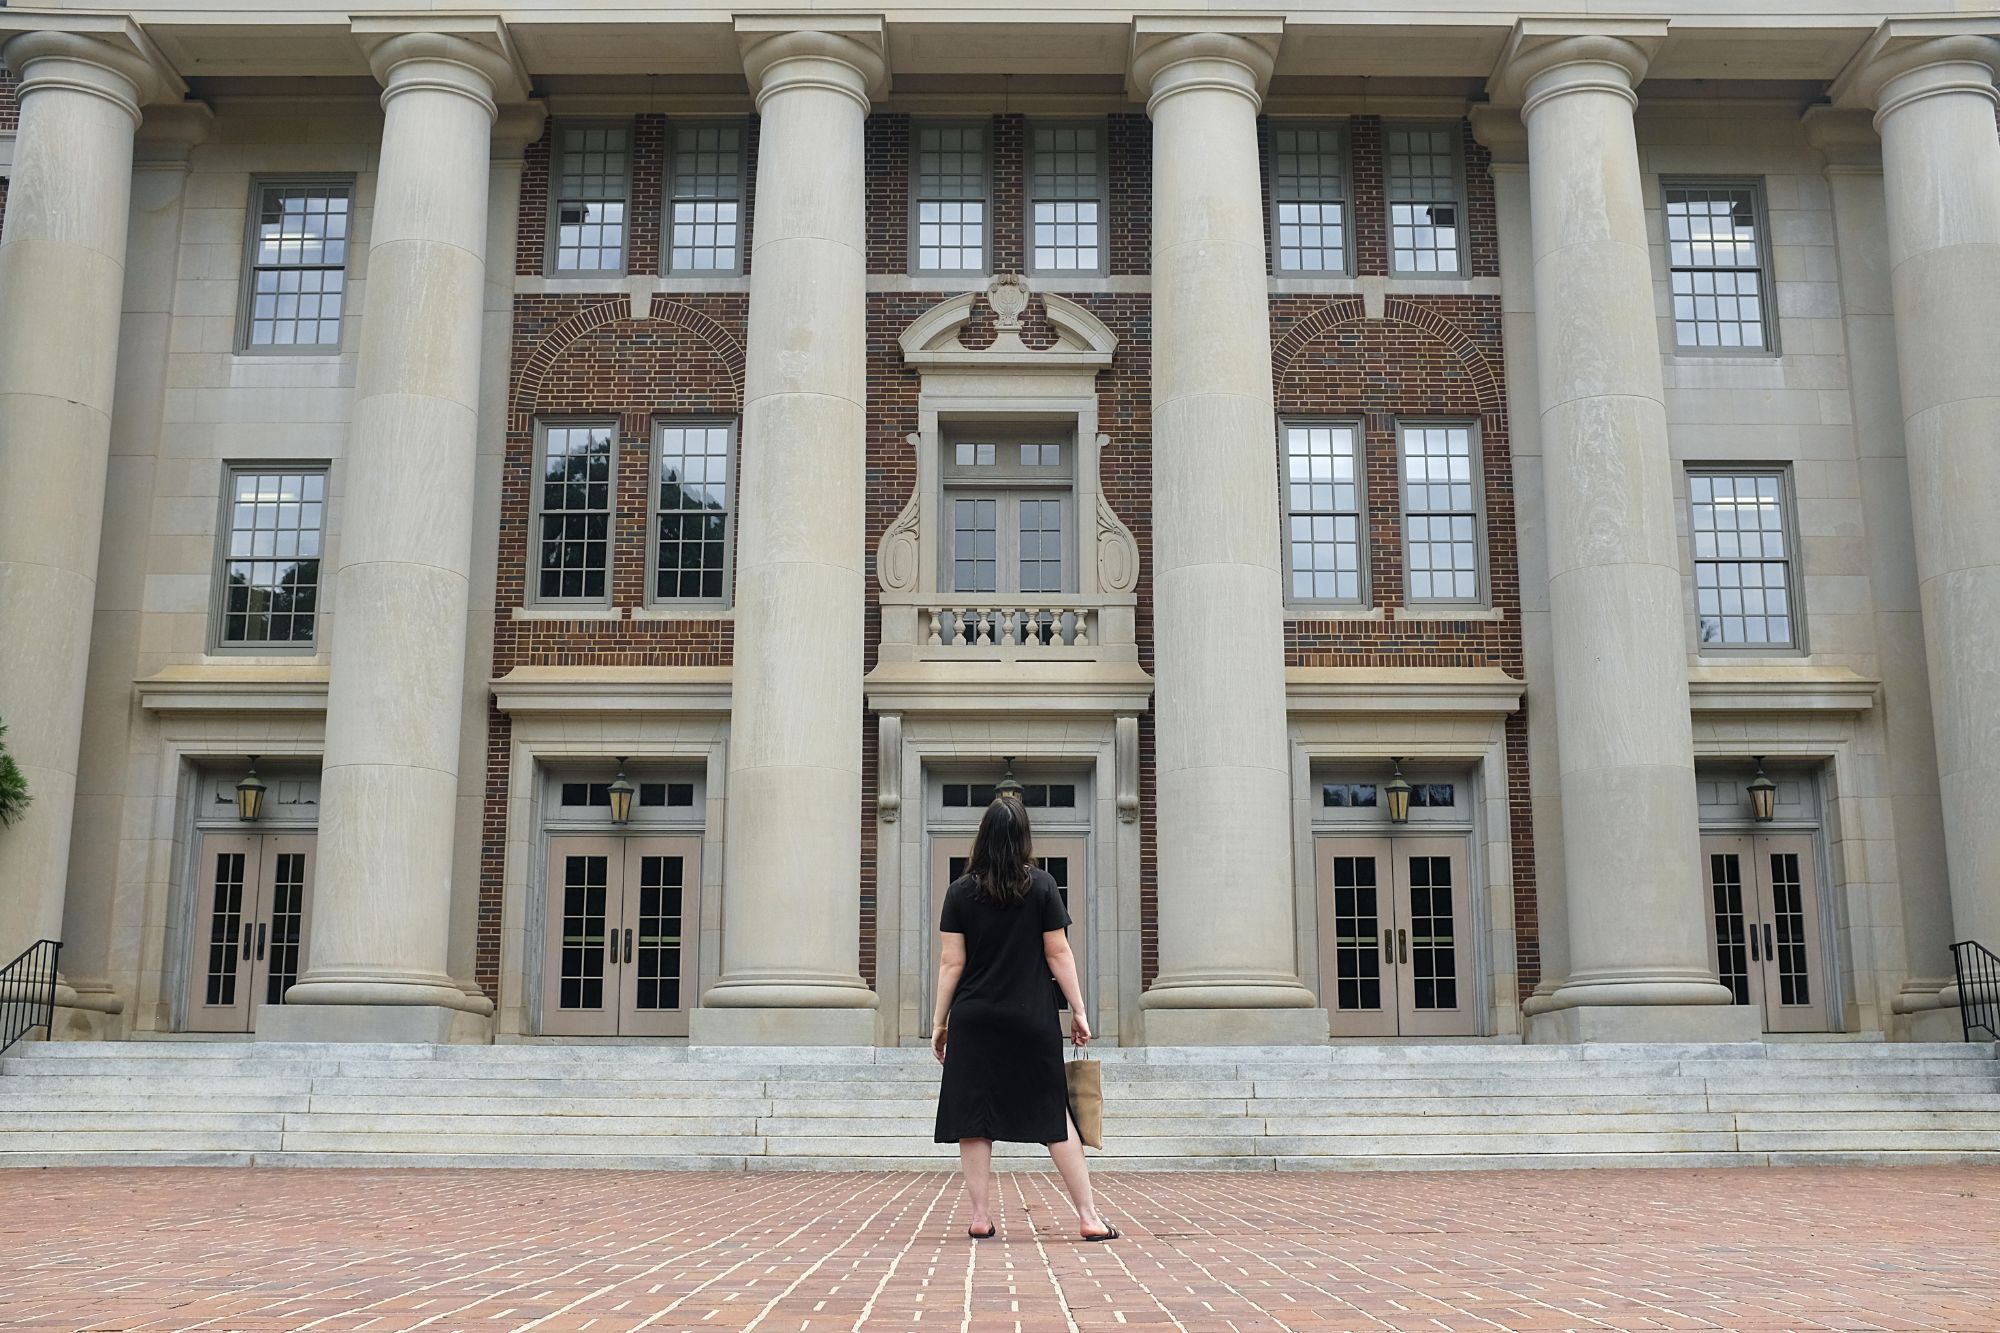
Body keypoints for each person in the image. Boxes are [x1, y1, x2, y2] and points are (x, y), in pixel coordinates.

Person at [931, 793, 1117, 1242]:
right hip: (1030, 1018)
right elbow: (1059, 953)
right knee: (1056, 1116)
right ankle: (1089, 1216)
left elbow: (951, 964)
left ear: (983, 838)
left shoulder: (959, 891)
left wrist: (940, 1023)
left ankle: (980, 1215)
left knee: (974, 1118)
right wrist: (1079, 1010)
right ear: (1023, 839)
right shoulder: (1043, 886)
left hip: (975, 1019)